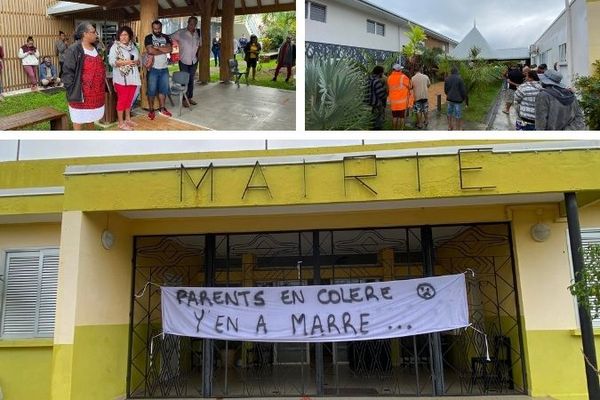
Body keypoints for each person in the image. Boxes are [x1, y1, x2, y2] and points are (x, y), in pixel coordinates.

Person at [62, 22, 106, 130]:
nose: (96, 34)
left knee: (91, 118)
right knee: (79, 119)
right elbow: (67, 72)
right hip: (80, 94)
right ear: (85, 34)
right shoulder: (74, 49)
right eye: (93, 32)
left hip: (95, 94)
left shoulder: (95, 47)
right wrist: (72, 90)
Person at [109, 25, 141, 130]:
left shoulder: (134, 47)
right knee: (122, 100)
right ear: (119, 36)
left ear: (130, 36)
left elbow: (138, 60)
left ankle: (128, 119)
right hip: (121, 79)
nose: (123, 37)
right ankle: (120, 122)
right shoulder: (115, 47)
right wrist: (127, 62)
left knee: (129, 100)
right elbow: (112, 62)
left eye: (126, 34)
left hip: (133, 77)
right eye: (121, 35)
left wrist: (136, 62)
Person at [144, 20, 173, 120]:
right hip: (153, 69)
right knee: (151, 91)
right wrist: (163, 49)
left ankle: (162, 108)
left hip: (164, 69)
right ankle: (151, 110)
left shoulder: (166, 37)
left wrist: (157, 47)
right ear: (152, 28)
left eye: (158, 28)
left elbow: (170, 50)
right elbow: (150, 50)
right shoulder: (148, 37)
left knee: (163, 90)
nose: (157, 30)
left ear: (161, 27)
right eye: (155, 28)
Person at [170, 16, 201, 107]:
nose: (192, 25)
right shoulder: (180, 32)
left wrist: (198, 56)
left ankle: (189, 98)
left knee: (191, 80)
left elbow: (200, 45)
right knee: (184, 81)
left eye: (194, 23)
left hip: (194, 61)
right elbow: (169, 37)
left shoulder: (198, 33)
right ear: (188, 22)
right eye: (191, 23)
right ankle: (184, 100)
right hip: (183, 60)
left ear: (196, 24)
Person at [387, 64, 411, 130]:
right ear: (399, 70)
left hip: (393, 102)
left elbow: (389, 88)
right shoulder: (403, 77)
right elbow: (410, 86)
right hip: (402, 102)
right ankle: (401, 130)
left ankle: (394, 129)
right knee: (401, 117)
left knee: (394, 117)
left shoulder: (389, 78)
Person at [444, 66, 467, 131]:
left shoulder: (447, 79)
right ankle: (457, 129)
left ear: (451, 72)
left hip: (449, 99)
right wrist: (464, 99)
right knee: (458, 115)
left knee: (449, 113)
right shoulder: (460, 79)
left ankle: (449, 127)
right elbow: (463, 91)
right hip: (458, 101)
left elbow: (445, 90)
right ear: (457, 72)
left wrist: (449, 95)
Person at [367, 65, 387, 130]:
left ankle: (372, 127)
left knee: (373, 116)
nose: (383, 74)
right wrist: (385, 93)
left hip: (370, 101)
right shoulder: (376, 81)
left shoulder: (369, 79)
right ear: (380, 73)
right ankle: (376, 128)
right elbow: (380, 93)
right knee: (378, 116)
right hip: (377, 102)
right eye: (382, 72)